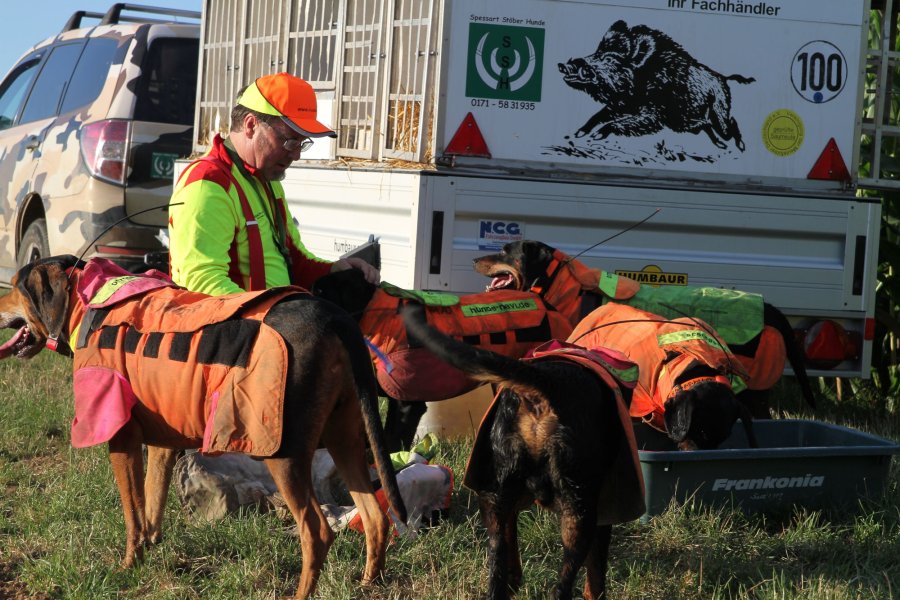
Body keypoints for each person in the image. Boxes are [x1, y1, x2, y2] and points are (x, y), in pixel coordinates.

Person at [168, 71, 379, 295]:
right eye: (289, 141)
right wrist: (276, 313)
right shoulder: (207, 184)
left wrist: (334, 270)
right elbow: (200, 285)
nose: (296, 155)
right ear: (251, 125)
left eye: (302, 143)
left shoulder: (266, 178)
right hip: (243, 328)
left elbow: (294, 260)